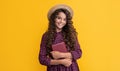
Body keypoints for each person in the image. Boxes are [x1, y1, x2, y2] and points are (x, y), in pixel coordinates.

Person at [38, 4, 82, 71]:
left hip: (71, 68)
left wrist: (61, 55)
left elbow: (78, 53)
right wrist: (61, 62)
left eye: (64, 19)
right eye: (59, 18)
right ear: (53, 19)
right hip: (54, 69)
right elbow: (42, 59)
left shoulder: (71, 34)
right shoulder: (46, 36)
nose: (62, 21)